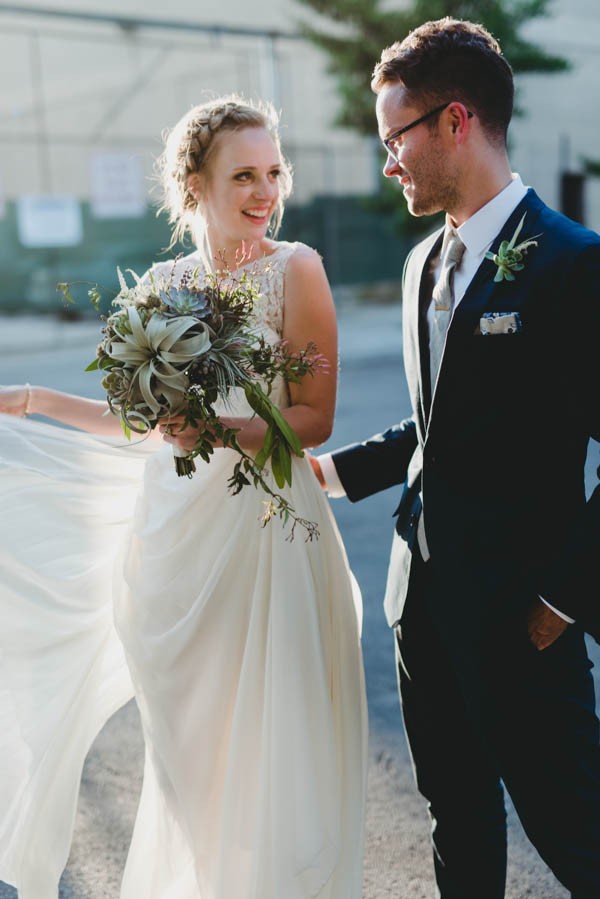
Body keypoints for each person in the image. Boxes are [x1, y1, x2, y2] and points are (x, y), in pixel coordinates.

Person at [0, 96, 367, 899]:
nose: (266, 190)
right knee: (191, 763)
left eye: (274, 171)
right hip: (171, 549)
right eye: (244, 174)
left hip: (267, 537)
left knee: (276, 757)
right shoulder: (162, 285)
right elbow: (138, 419)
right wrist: (28, 398)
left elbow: (311, 420)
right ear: (192, 184)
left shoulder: (296, 268)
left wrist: (213, 428)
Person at [311, 18, 600, 899]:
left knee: (579, 836)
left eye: (394, 138)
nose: (387, 162)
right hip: (419, 611)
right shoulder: (417, 265)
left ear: (455, 121)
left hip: (524, 623)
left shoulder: (573, 267)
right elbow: (444, 422)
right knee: (456, 823)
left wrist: (563, 599)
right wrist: (327, 471)